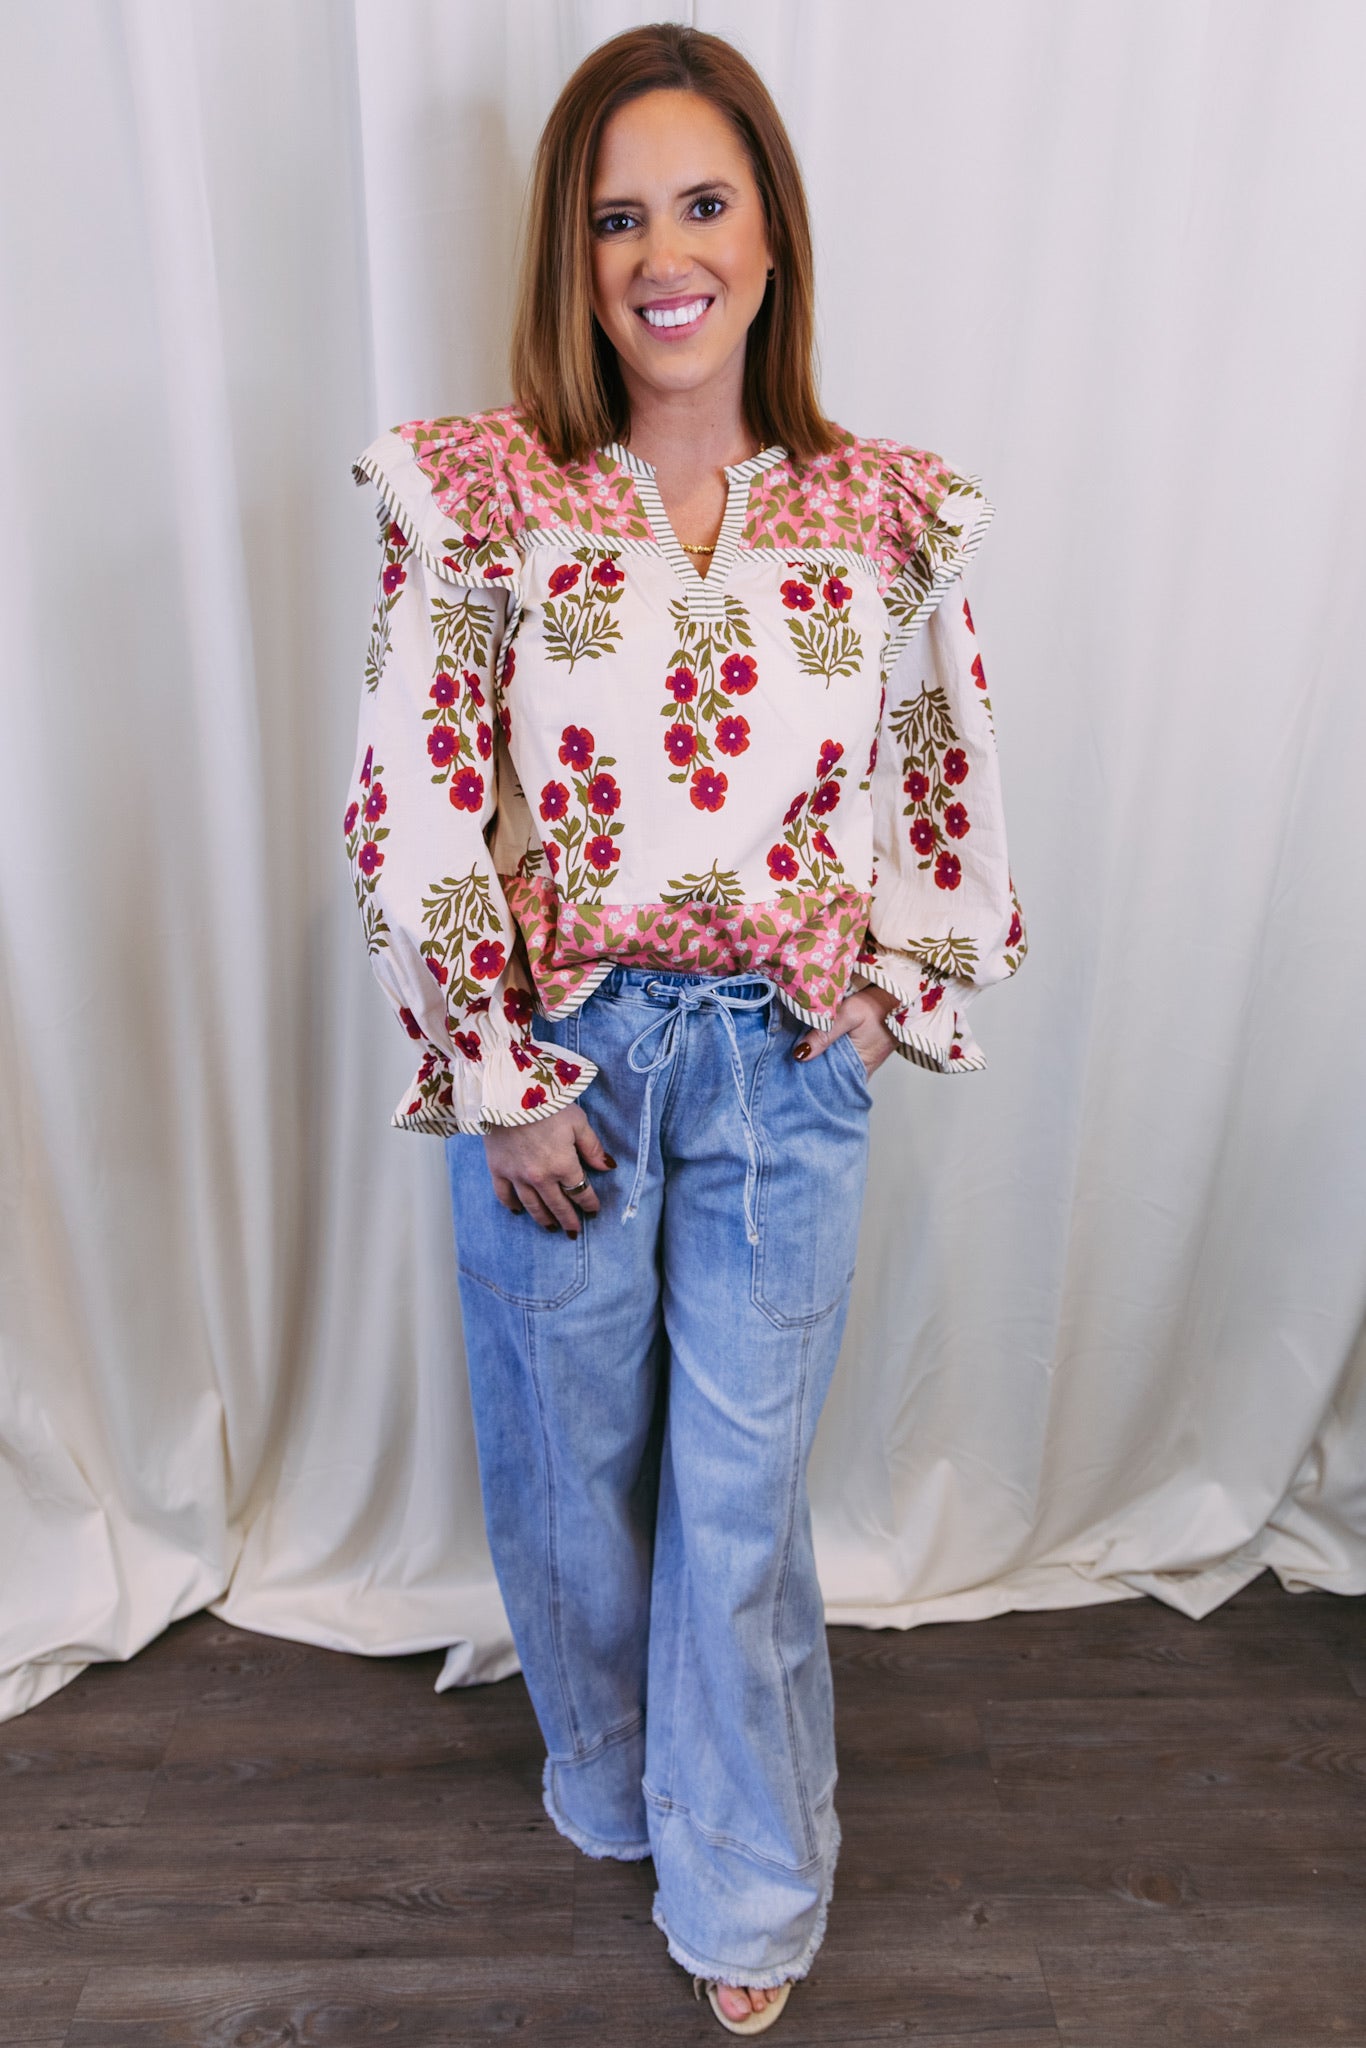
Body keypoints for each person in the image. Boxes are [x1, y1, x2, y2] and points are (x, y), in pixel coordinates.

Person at [344, 22, 1026, 2035]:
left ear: (769, 234)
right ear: (571, 254)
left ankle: (744, 1877)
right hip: (565, 1057)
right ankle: (612, 1770)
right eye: (615, 215)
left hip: (782, 1066)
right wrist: (495, 1072)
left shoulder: (879, 512)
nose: (663, 254)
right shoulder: (486, 497)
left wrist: (886, 999)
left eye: (702, 204)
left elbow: (942, 767)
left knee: (737, 1497)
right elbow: (408, 798)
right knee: (571, 1475)